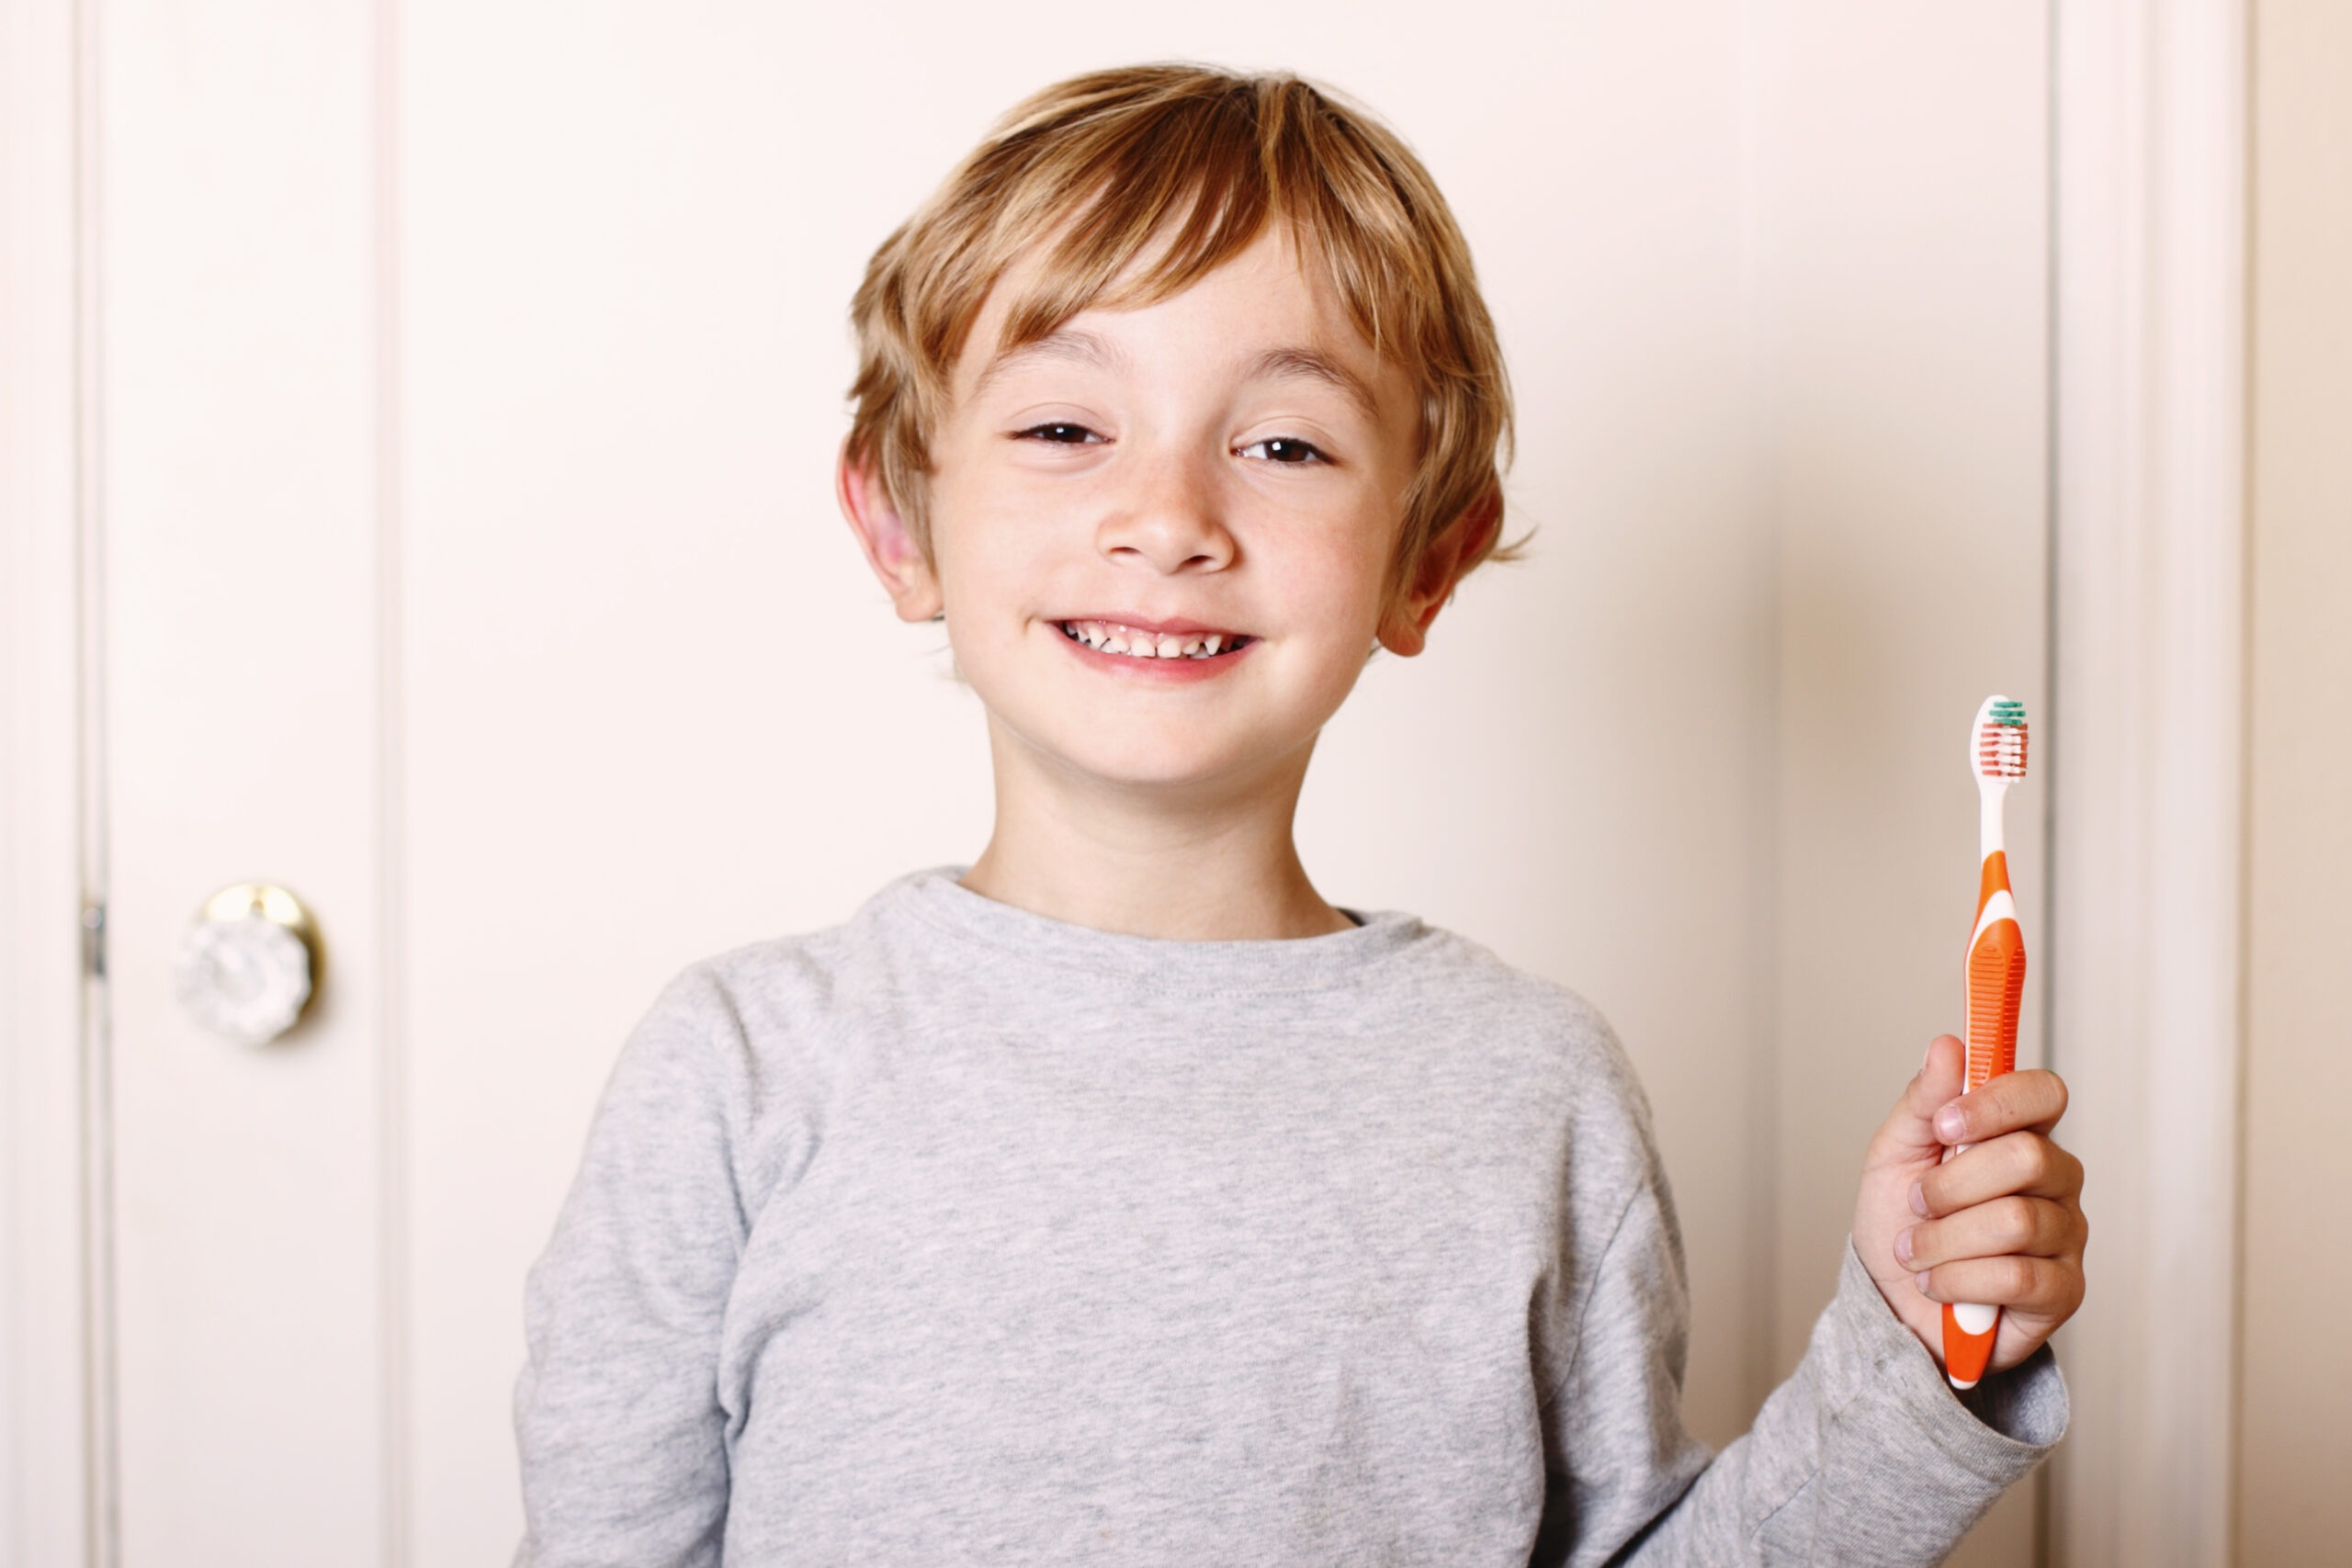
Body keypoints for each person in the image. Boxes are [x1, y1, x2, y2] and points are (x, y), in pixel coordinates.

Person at [512, 62, 2085, 1566]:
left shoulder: (1531, 1094)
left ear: (1426, 558)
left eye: (1283, 444)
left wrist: (1917, 1353)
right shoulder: (733, 1079)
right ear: (896, 519)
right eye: (1066, 427)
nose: (1168, 517)